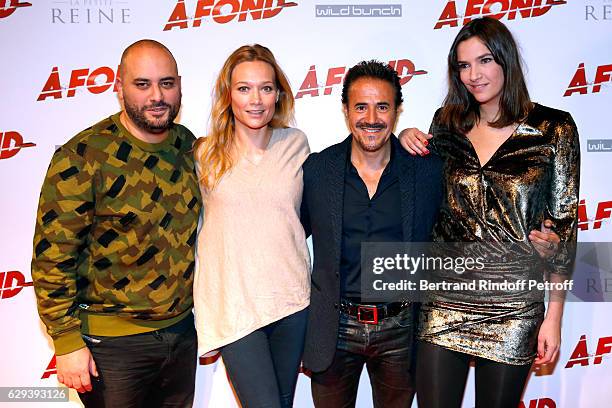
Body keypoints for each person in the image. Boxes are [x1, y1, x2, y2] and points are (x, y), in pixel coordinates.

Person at [399, 17, 580, 408]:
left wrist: (554, 317)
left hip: (514, 305)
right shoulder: (445, 124)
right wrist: (401, 141)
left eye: (483, 61)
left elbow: (564, 230)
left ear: (505, 61)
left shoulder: (554, 129)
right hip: (443, 301)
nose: (473, 75)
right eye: (463, 66)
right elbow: (422, 194)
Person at [31, 40, 201, 407]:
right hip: (112, 348)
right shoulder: (83, 156)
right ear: (118, 86)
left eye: (167, 83)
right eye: (142, 84)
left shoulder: (186, 146)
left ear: (180, 86)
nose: (157, 96)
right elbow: (52, 259)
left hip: (181, 334)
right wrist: (66, 341)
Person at [299, 60, 444, 407]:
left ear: (397, 111)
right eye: (361, 106)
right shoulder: (318, 170)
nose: (372, 118)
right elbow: (286, 235)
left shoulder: (426, 170)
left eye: (383, 107)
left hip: (401, 328)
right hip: (335, 328)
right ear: (346, 110)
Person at [192, 44, 310, 408]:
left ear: (278, 94)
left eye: (266, 87)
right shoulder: (203, 154)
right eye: (244, 88)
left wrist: (402, 139)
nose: (255, 99)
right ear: (229, 94)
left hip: (291, 303)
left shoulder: (297, 144)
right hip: (235, 309)